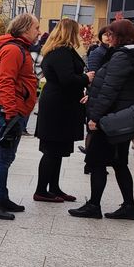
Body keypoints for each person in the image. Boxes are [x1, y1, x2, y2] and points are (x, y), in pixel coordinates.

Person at [69, 19, 134, 220]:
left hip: (110, 118)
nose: (108, 38)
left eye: (111, 34)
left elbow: (110, 89)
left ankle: (94, 205)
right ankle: (129, 206)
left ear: (119, 36)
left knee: (97, 161)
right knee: (120, 162)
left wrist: (95, 117)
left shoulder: (122, 56)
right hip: (122, 117)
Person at [0, 12, 40, 220]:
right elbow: (6, 82)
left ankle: (1, 197)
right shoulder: (12, 49)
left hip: (16, 110)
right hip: (11, 110)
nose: (38, 32)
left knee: (7, 157)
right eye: (36, 28)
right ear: (25, 28)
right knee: (3, 157)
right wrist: (10, 113)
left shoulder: (19, 48)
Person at [34, 18, 90, 202]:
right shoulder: (61, 52)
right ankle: (41, 190)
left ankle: (55, 188)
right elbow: (67, 79)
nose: (79, 35)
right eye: (77, 31)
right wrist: (86, 78)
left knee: (57, 150)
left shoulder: (58, 50)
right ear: (70, 32)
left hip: (60, 104)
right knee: (51, 150)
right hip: (58, 106)